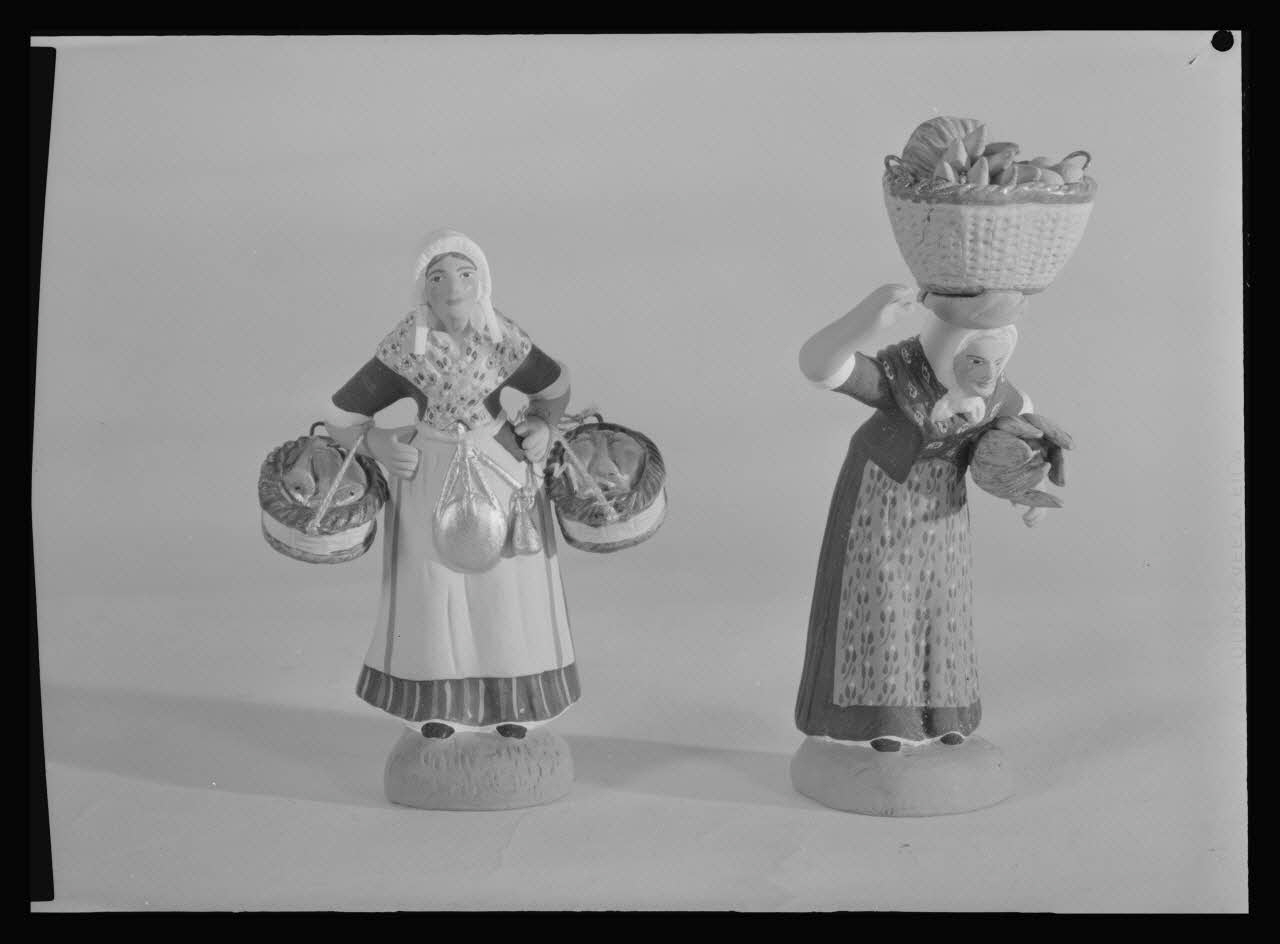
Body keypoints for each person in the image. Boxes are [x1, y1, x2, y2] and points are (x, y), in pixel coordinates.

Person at [324, 229, 577, 741]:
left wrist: (543, 426)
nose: (453, 289)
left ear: (482, 282)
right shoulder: (405, 347)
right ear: (423, 289)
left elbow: (555, 386)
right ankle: (437, 704)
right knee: (432, 587)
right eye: (438, 278)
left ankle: (514, 703)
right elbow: (341, 416)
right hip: (429, 475)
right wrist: (377, 443)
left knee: (506, 586)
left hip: (501, 471)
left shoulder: (504, 340)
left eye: (465, 275)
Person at [794, 285, 1067, 752]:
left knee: (944, 602)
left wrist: (1024, 489)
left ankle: (944, 714)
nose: (988, 374)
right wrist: (863, 320)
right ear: (949, 351)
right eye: (976, 360)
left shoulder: (1000, 396)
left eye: (997, 362)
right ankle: (882, 720)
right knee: (881, 601)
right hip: (880, 500)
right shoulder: (902, 379)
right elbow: (820, 367)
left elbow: (1018, 439)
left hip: (942, 511)